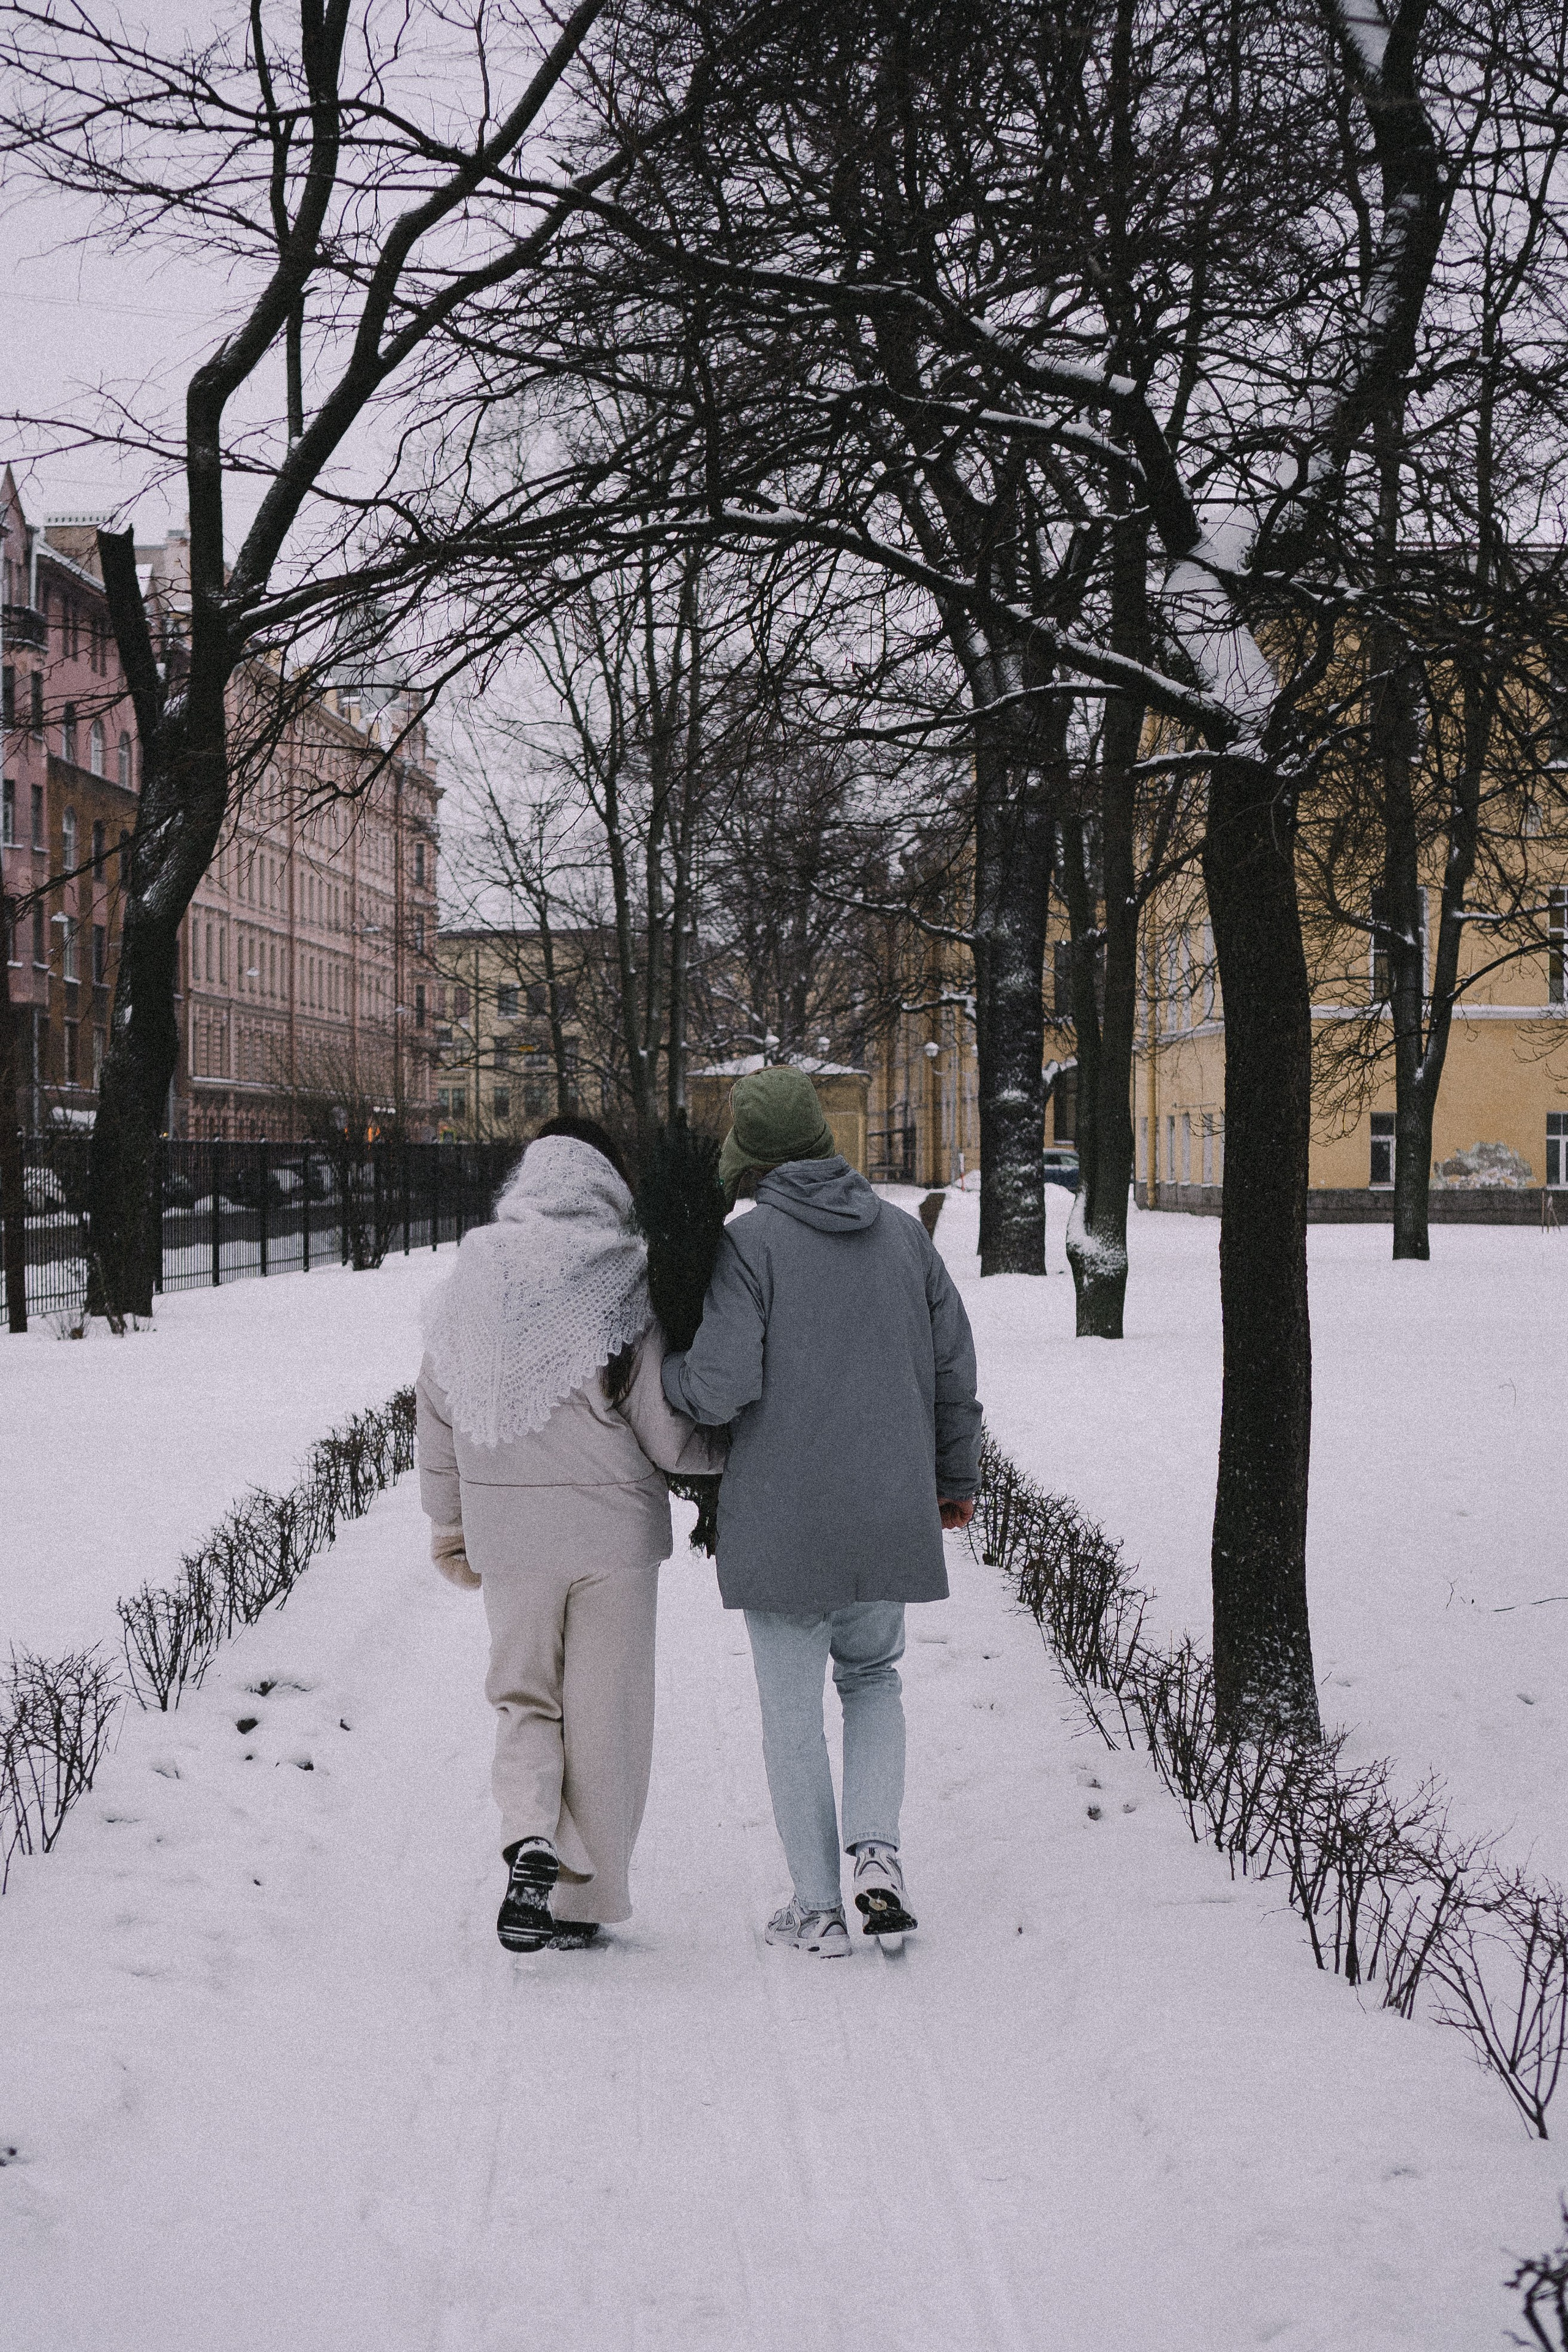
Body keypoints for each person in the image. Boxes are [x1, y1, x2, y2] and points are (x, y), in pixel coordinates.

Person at [662, 1068, 981, 1957]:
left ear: (750, 1155)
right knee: (873, 1679)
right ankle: (877, 1855)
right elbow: (954, 1366)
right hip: (888, 1507)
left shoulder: (747, 1246)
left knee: (792, 1714)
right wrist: (954, 1477)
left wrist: (665, 1376)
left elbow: (720, 1386)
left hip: (784, 1519)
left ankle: (817, 1908)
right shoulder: (903, 1235)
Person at [417, 1117, 725, 1954]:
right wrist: (724, 1456)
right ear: (605, 1184)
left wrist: (450, 1519)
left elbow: (437, 1410)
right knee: (605, 1720)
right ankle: (583, 1905)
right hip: (613, 1539)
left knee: (524, 1697)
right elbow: (663, 1427)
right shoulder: (623, 1277)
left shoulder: (472, 1276)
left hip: (509, 1536)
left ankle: (531, 1834)